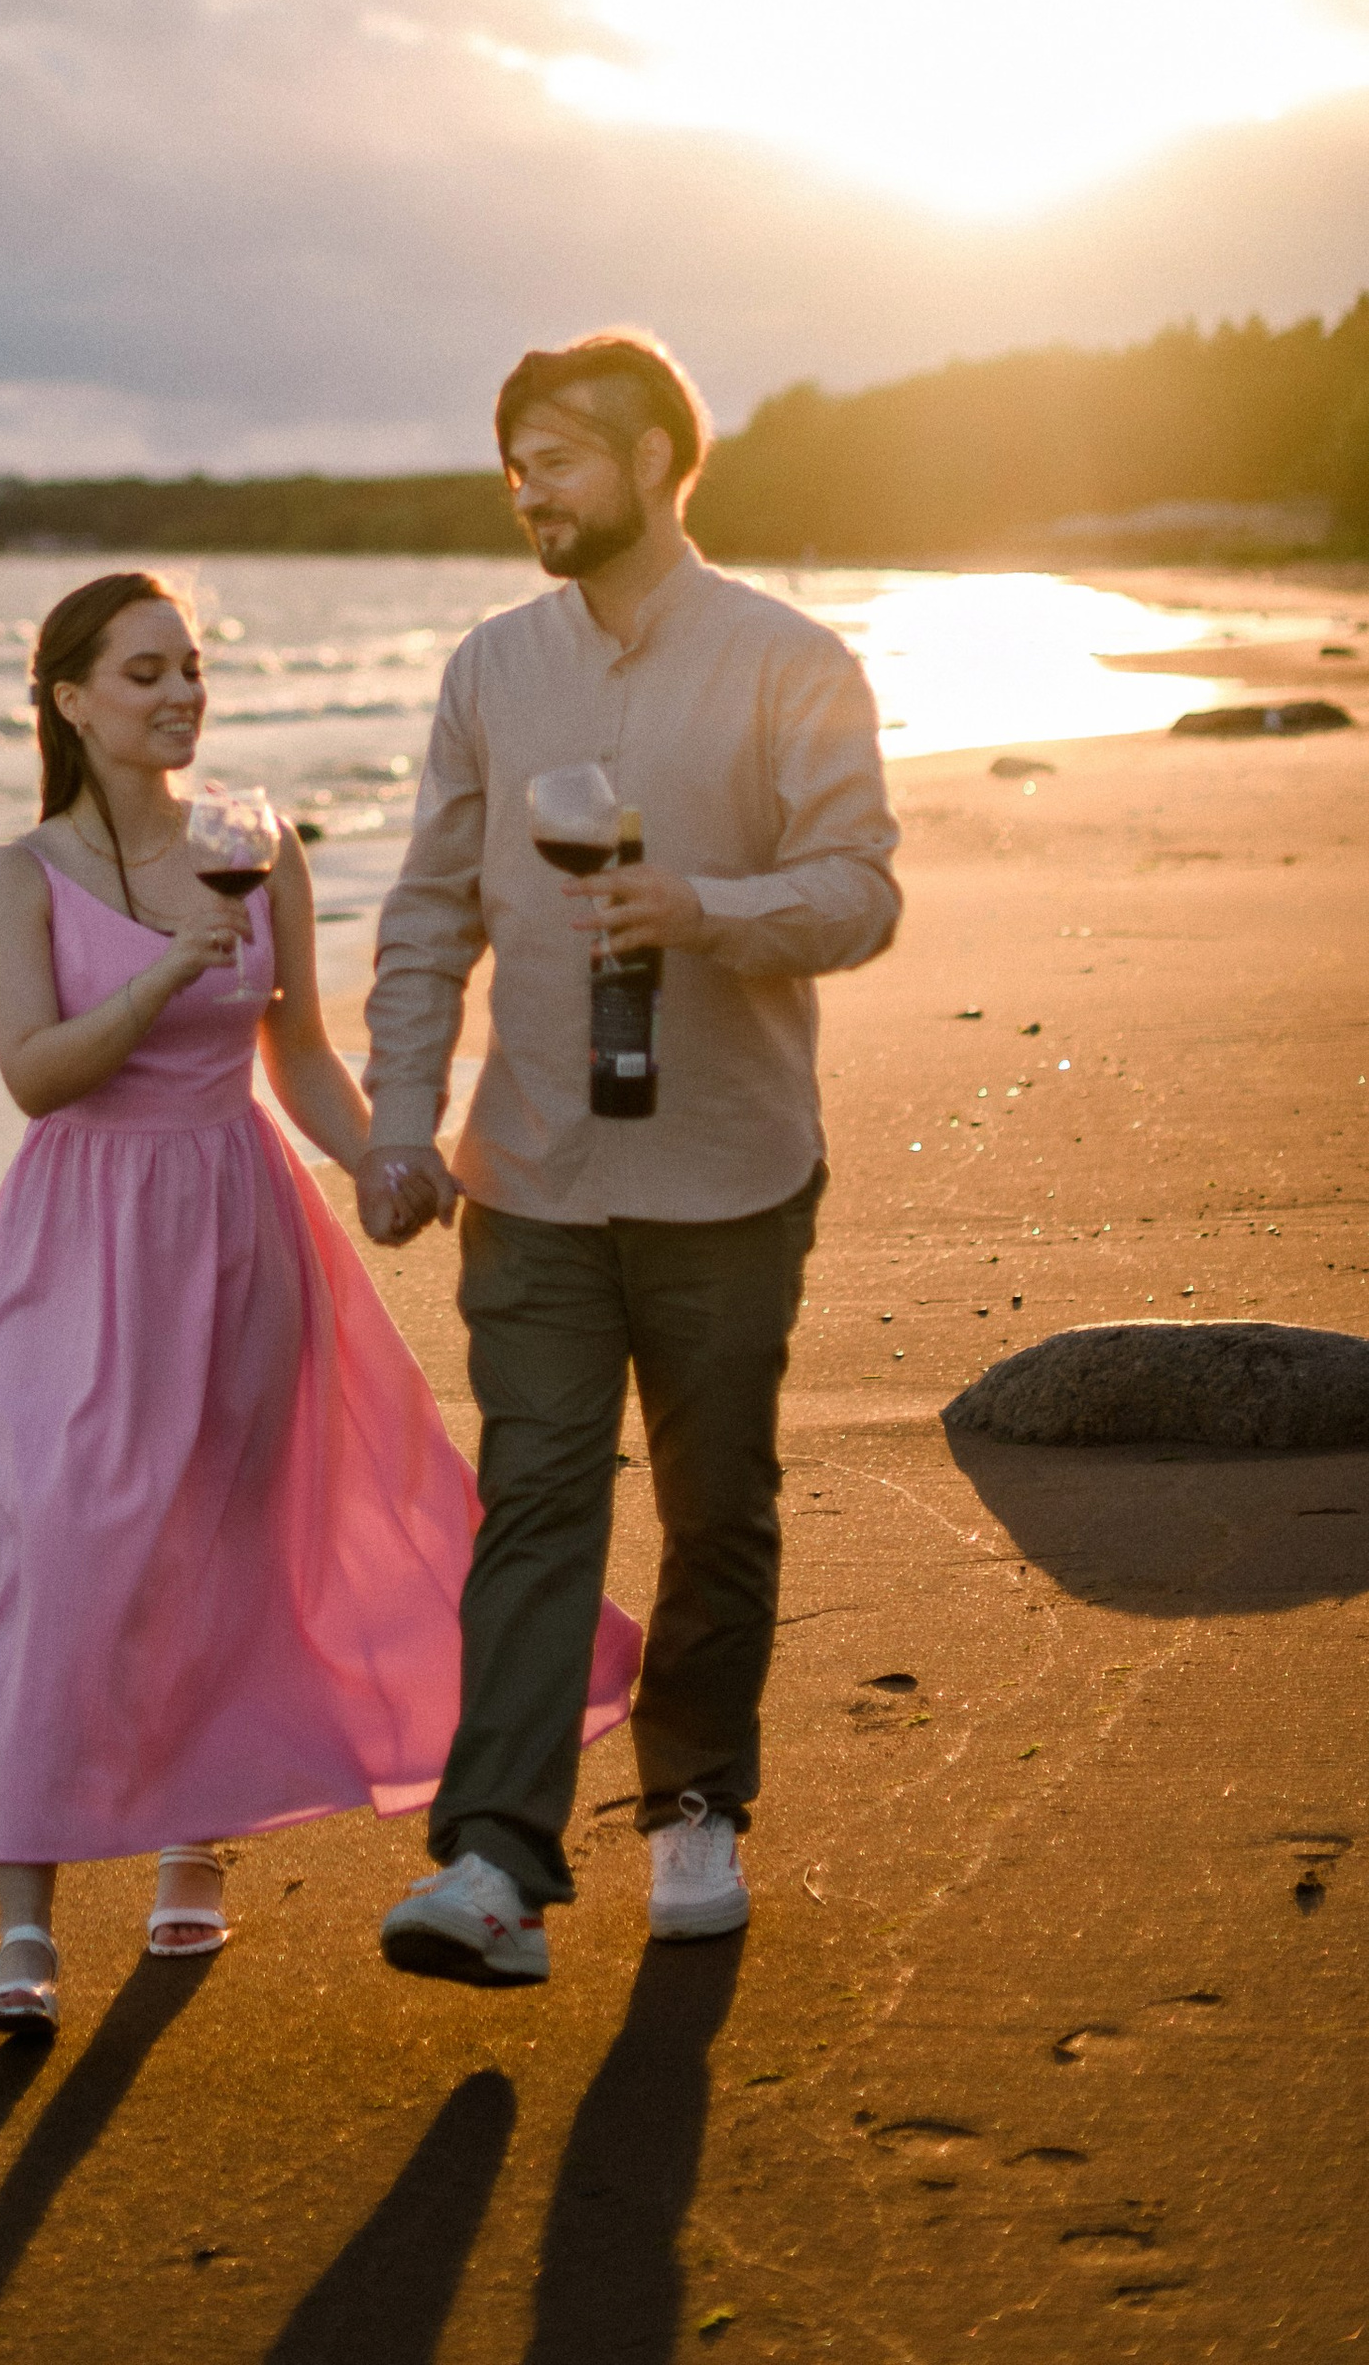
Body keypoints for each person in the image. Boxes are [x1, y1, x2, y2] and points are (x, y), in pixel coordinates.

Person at [0, 570, 638, 2038]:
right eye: (143, 673)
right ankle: (23, 1929)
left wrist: (386, 1155)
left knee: (231, 1529)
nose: (179, 694)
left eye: (191, 667)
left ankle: (192, 1841)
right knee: (65, 1542)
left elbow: (302, 1055)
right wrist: (161, 981)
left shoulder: (256, 845)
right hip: (86, 1233)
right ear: (70, 701)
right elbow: (33, 1072)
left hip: (241, 1214)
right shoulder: (19, 875)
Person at [360, 331, 900, 1989]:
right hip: (527, 1170)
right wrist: (396, 1120)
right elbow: (430, 912)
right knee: (532, 1504)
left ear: (663, 460)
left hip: (731, 1174)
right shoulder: (488, 670)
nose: (530, 483)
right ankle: (496, 1866)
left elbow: (861, 891)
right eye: (514, 455)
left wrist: (710, 912)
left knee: (719, 1503)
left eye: (564, 454)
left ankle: (694, 1805)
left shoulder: (787, 660)